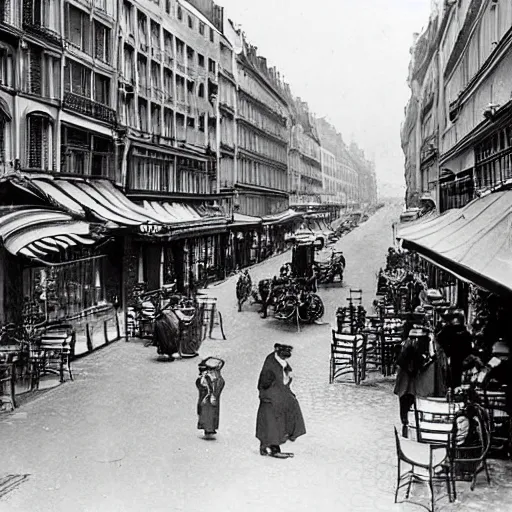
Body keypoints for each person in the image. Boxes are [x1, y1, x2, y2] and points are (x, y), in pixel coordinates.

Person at [256, 343, 306, 458]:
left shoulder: (279, 361)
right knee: (273, 422)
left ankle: (270, 445)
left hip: (279, 395)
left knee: (286, 414)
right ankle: (272, 447)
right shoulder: (271, 363)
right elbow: (264, 383)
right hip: (271, 398)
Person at [394, 327, 437, 437]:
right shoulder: (411, 346)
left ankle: (407, 420)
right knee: (406, 398)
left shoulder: (411, 344)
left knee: (409, 398)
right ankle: (406, 421)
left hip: (411, 378)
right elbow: (405, 361)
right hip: (407, 377)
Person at [436, 309, 473, 391]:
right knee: (455, 370)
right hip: (455, 353)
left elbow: (440, 337)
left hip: (457, 353)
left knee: (456, 370)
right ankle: (454, 386)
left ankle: (455, 386)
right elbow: (440, 338)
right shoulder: (452, 328)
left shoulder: (459, 329)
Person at [196, 357, 225, 439]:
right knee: (208, 413)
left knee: (208, 412)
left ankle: (209, 427)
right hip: (208, 398)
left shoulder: (210, 377)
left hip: (207, 398)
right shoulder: (209, 377)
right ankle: (209, 427)